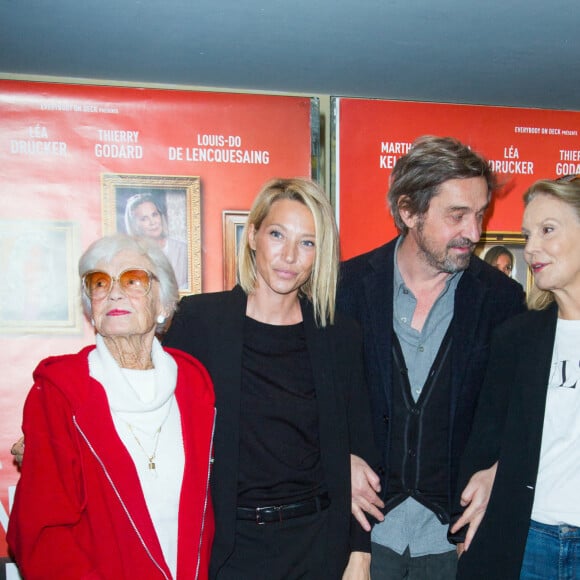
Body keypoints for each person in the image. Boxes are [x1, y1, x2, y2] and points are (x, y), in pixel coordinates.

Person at [164, 177, 378, 579]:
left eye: (308, 243)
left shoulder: (339, 334)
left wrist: (359, 554)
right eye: (278, 234)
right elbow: (148, 409)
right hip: (230, 549)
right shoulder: (200, 322)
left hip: (317, 547)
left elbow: (360, 451)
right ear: (253, 236)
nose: (290, 255)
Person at [338, 135, 526, 579]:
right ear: (408, 211)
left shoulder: (502, 300)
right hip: (361, 541)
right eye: (457, 215)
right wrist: (336, 460)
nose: (475, 233)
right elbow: (309, 398)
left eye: (479, 215)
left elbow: (524, 411)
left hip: (456, 545)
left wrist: (501, 469)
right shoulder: (344, 289)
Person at [7, 235, 215, 579]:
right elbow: (43, 533)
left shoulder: (195, 385)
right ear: (92, 303)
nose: (114, 292)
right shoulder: (60, 391)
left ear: (162, 302)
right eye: (100, 282)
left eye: (133, 280)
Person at [450, 178, 580, 579]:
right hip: (528, 544)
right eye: (527, 234)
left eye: (548, 230)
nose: (532, 248)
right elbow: (485, 443)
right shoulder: (516, 338)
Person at [125, 193, 189, 289]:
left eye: (154, 215)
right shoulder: (129, 255)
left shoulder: (184, 250)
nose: (152, 222)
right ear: (134, 225)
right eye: (144, 219)